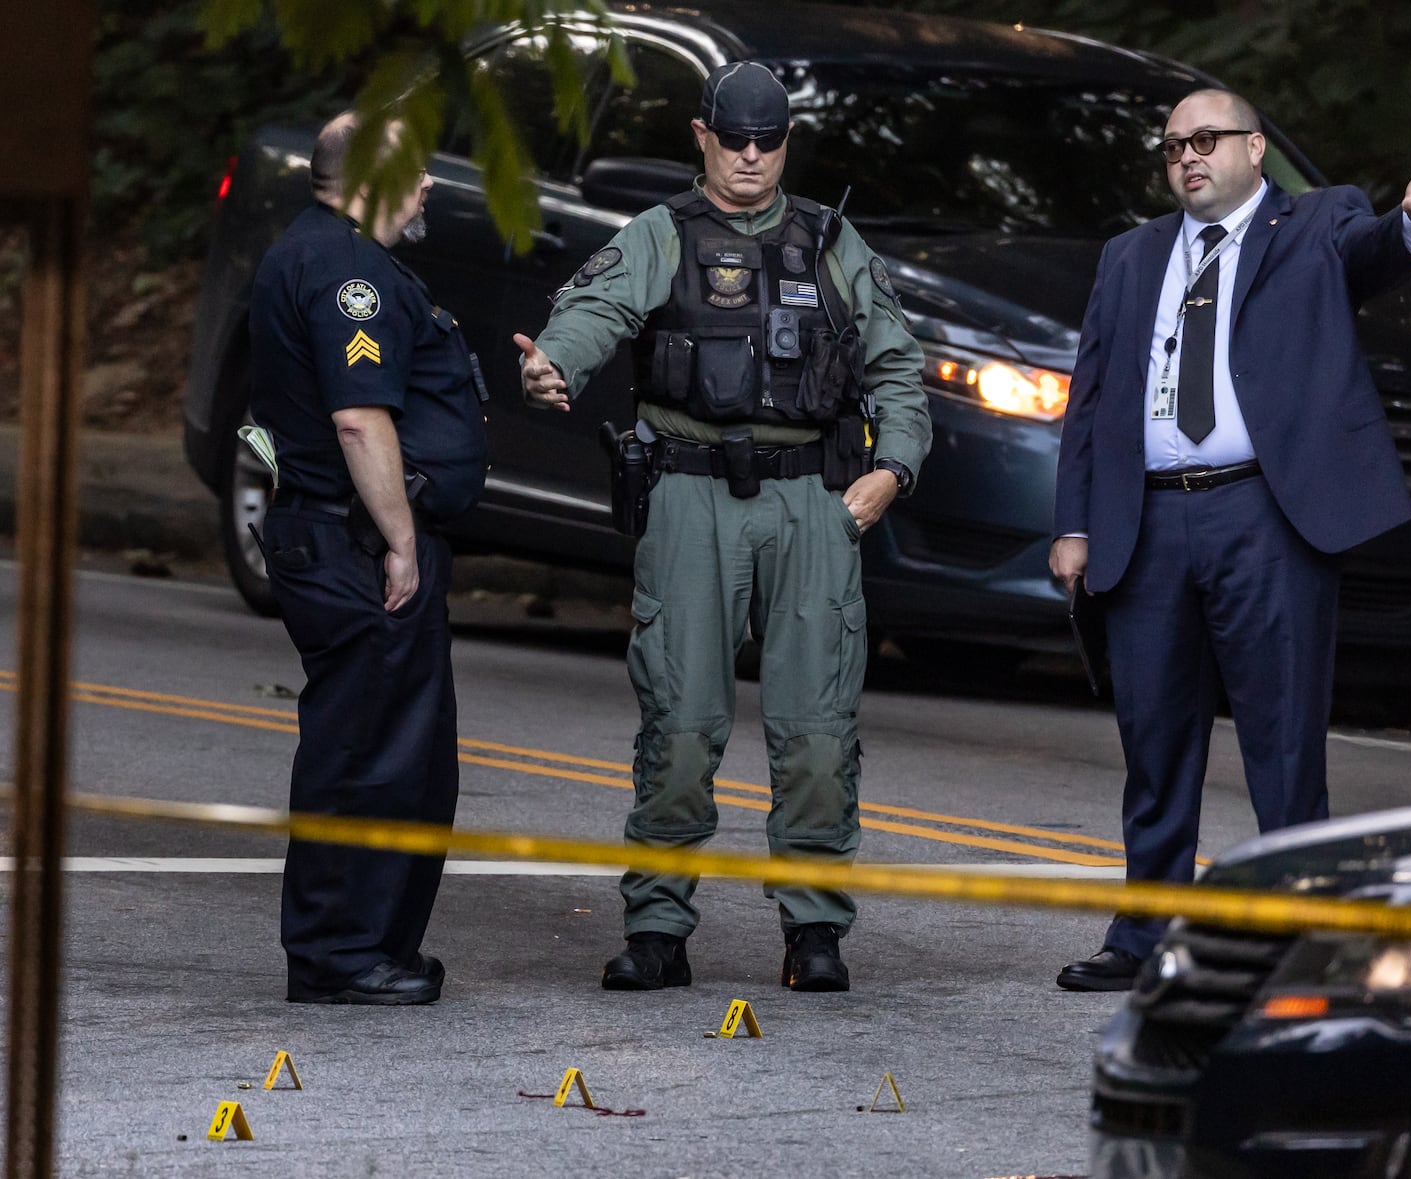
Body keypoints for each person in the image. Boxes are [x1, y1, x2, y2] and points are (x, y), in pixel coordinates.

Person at [515, 62, 930, 993]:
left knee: (819, 726)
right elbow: (593, 309)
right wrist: (557, 368)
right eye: (734, 138)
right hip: (691, 492)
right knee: (682, 721)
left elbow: (898, 366)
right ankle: (659, 926)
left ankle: (815, 929)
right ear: (700, 135)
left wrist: (890, 471)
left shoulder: (830, 240)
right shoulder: (664, 234)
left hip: (812, 498)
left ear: (786, 142)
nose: (751, 156)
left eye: (768, 140)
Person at [1049, 89, 1411, 991]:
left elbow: (1374, 252)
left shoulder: (1317, 223)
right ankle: (1143, 936)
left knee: (1282, 745)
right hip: (1150, 519)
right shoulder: (1130, 258)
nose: (1188, 157)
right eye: (1172, 147)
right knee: (1155, 744)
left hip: (1264, 515)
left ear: (1254, 148)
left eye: (1206, 140)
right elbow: (1089, 398)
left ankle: (1294, 942)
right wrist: (1075, 523)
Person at [250, 111, 489, 1004]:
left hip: (342, 535)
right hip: (355, 543)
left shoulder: (316, 252)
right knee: (369, 756)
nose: (428, 185)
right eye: (417, 170)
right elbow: (359, 416)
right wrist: (397, 539)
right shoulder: (347, 272)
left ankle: (371, 945)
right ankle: (339, 954)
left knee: (405, 755)